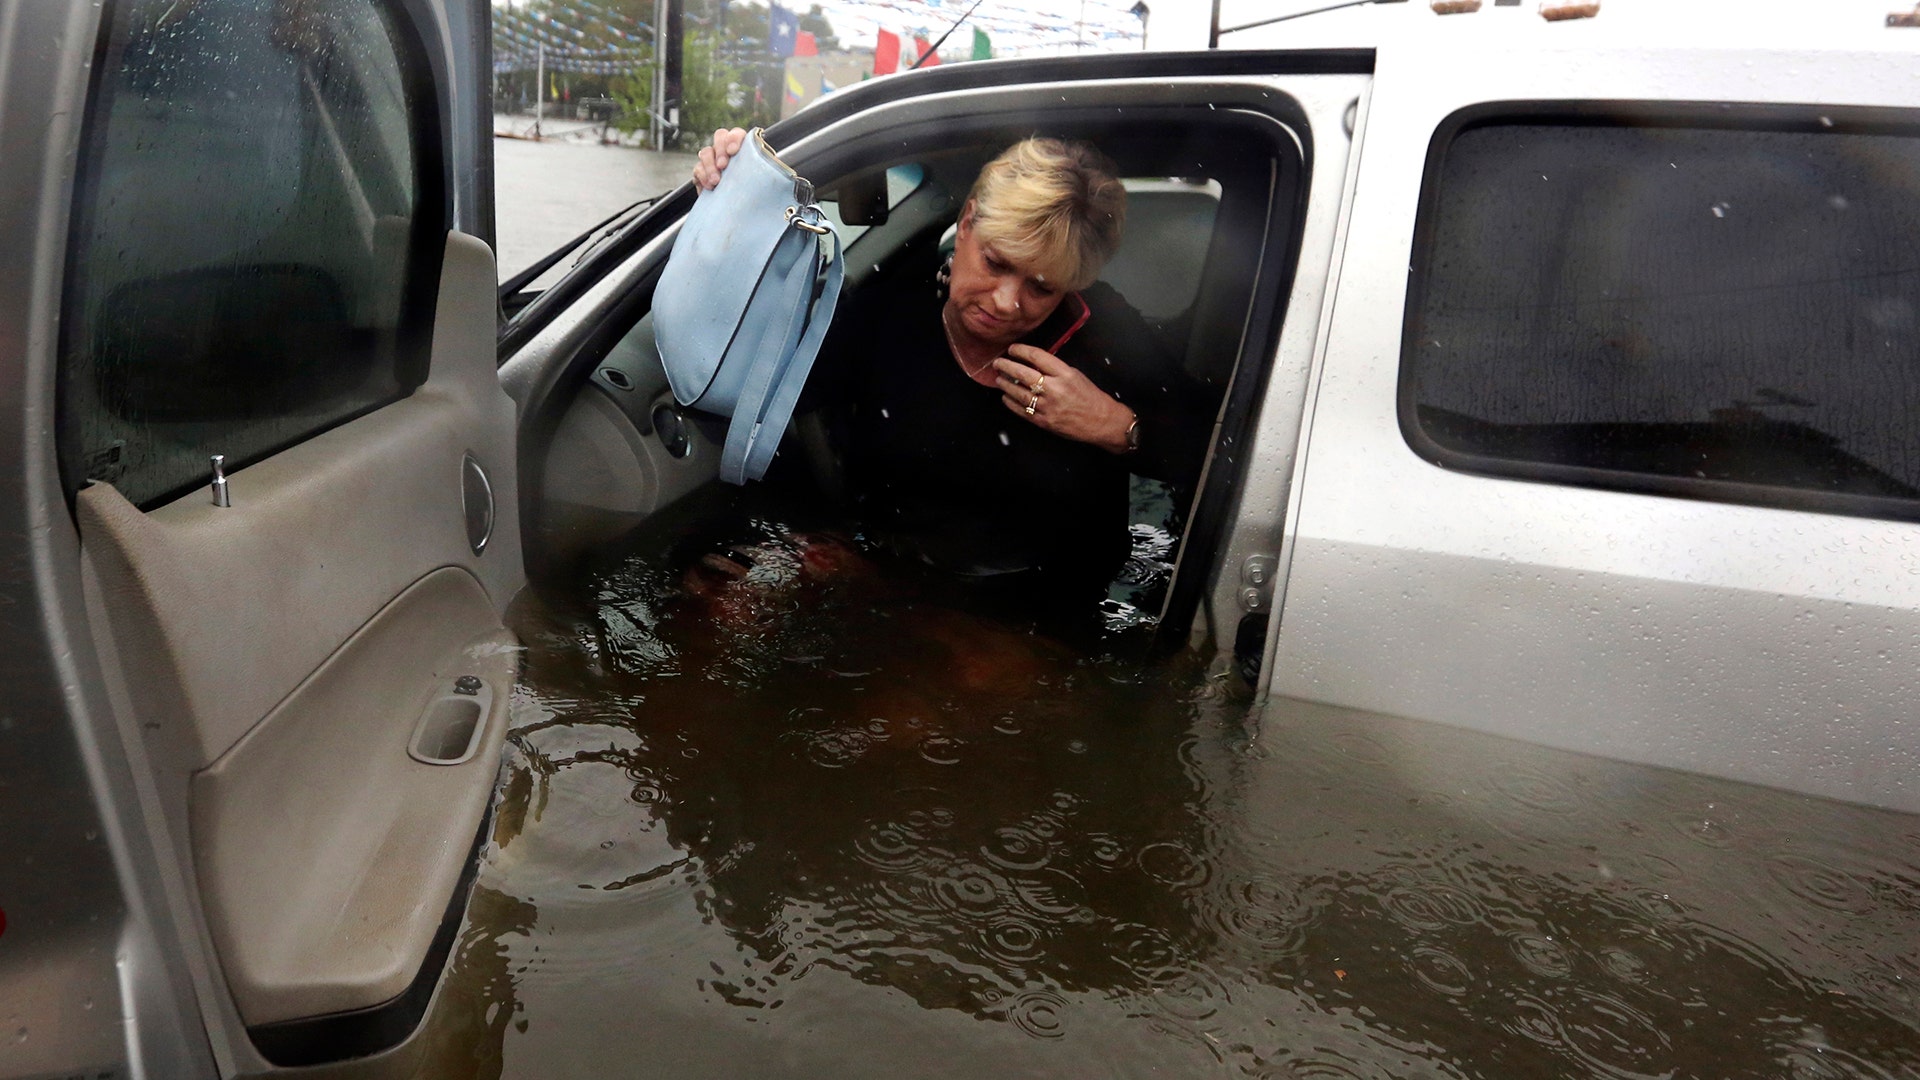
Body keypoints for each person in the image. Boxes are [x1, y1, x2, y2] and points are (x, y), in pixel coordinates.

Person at [693, 129, 1210, 621]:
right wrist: (729, 214)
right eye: (995, 262)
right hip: (887, 579)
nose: (1007, 303)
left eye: (1042, 287)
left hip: (1038, 610)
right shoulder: (888, 313)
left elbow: (1217, 455)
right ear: (966, 223)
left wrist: (1116, 427)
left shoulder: (1100, 332)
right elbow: (768, 409)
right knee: (713, 599)